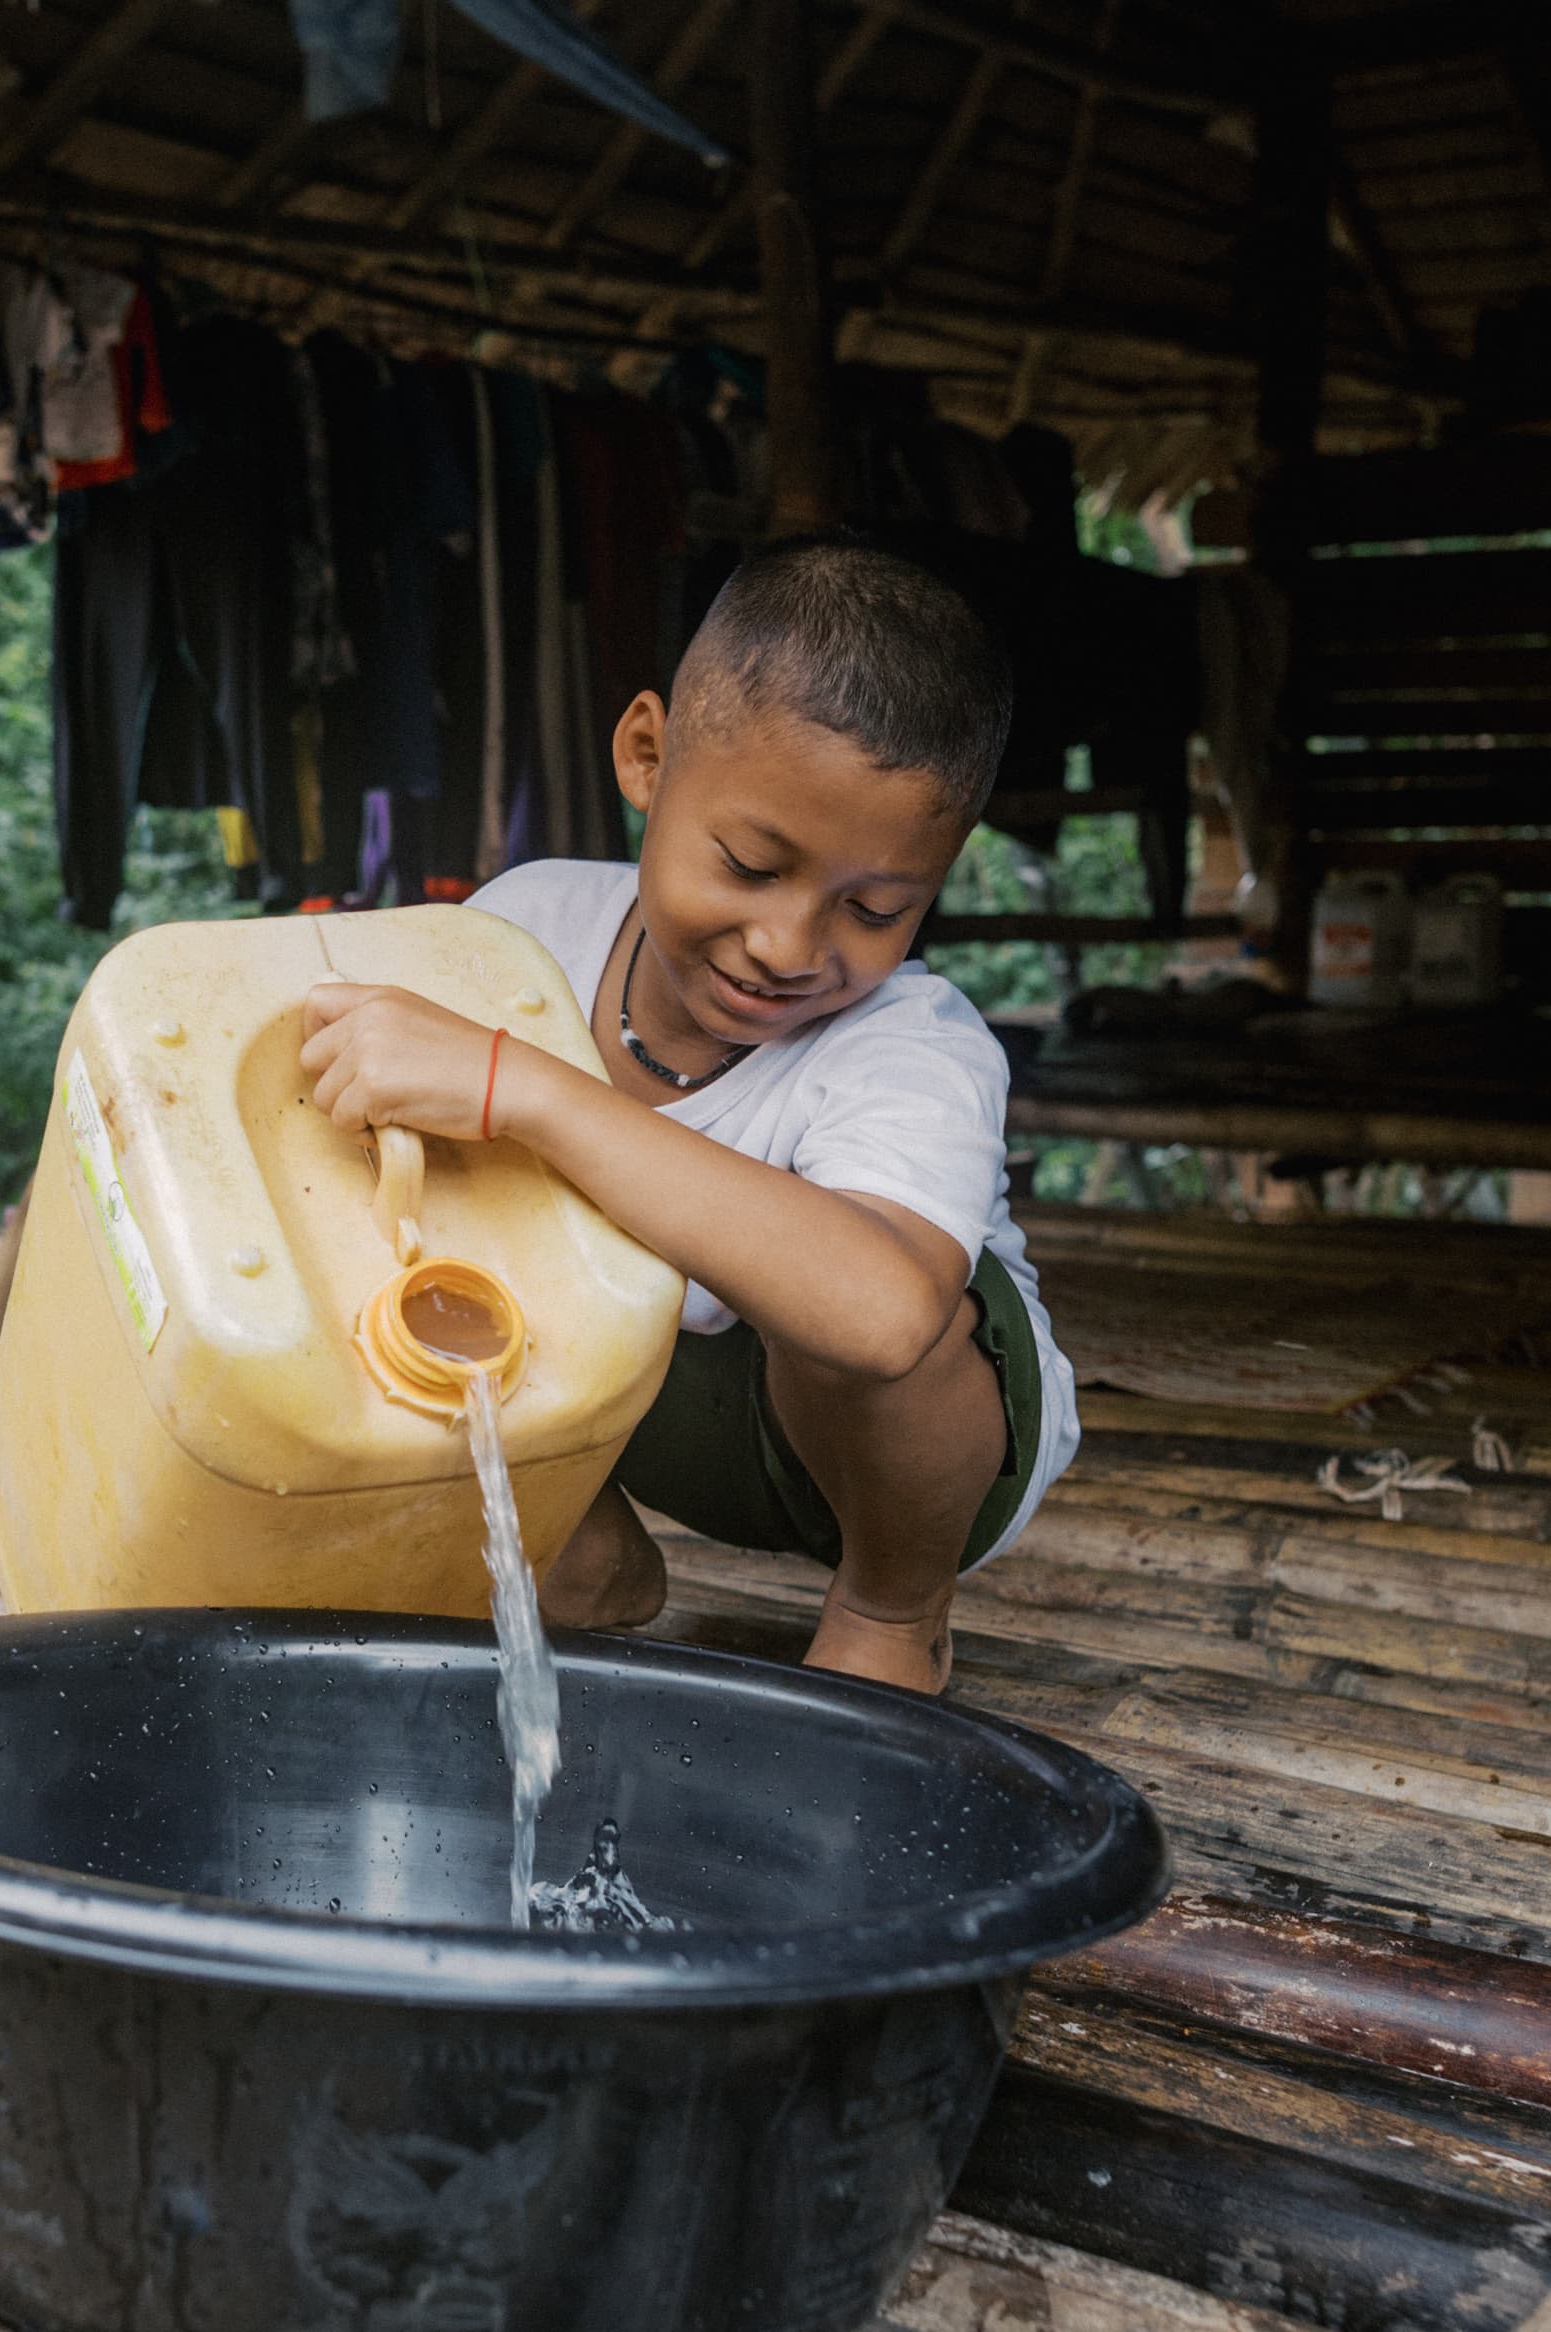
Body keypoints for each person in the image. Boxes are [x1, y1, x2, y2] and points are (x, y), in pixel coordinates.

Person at [298, 535, 1076, 1694]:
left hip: (888, 1458)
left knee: (864, 1307)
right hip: (639, 1399)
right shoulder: (528, 927)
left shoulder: (915, 1043)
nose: (790, 945)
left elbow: (880, 1317)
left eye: (873, 907)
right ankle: (582, 1548)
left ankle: (891, 1611)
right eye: (752, 865)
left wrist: (531, 1091)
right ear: (648, 756)